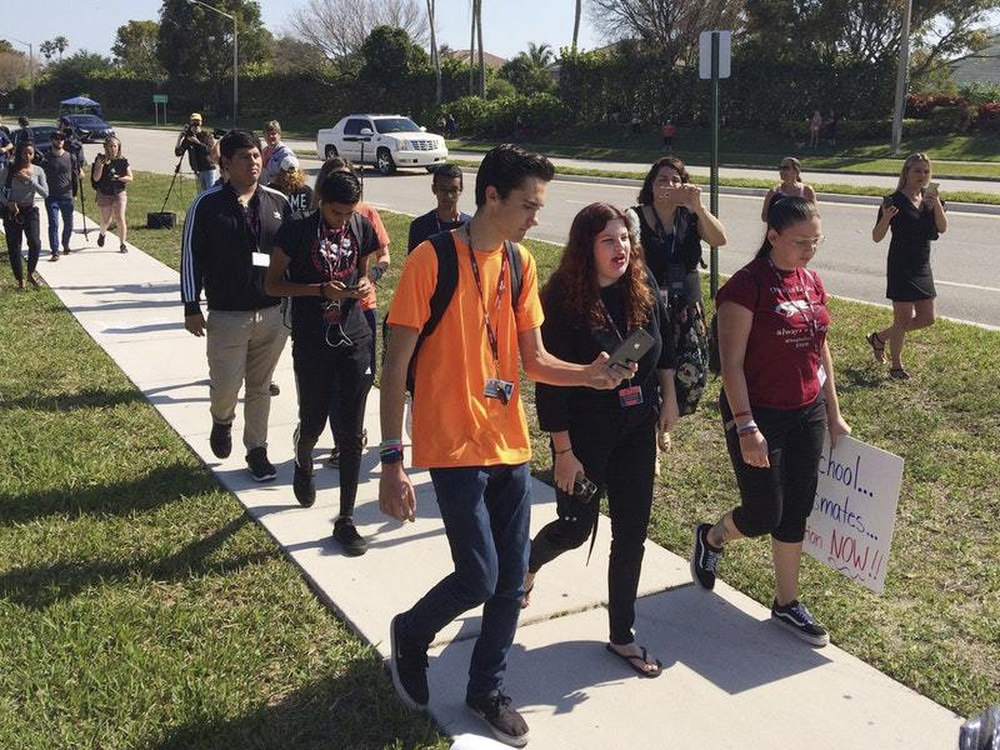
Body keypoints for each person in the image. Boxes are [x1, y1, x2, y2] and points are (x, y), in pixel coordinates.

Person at [380, 144, 631, 746]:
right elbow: (394, 368)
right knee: (479, 574)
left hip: (508, 442)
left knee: (512, 576)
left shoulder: (519, 264)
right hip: (451, 442)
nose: (534, 219)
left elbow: (535, 360)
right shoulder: (430, 259)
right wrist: (392, 460)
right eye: (527, 205)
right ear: (490, 196)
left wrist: (591, 374)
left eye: (538, 207)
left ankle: (485, 689)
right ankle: (412, 634)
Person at [523, 202, 678, 678]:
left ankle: (621, 635)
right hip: (584, 435)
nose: (621, 249)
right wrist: (563, 453)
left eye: (625, 238)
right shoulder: (562, 301)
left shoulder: (643, 286)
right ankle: (525, 567)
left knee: (632, 534)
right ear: (585, 247)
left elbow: (663, 344)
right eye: (609, 241)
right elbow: (548, 384)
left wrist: (668, 400)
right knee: (575, 529)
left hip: (636, 426)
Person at [691, 196, 851, 648]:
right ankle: (713, 536)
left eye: (815, 241)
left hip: (807, 410)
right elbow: (732, 364)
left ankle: (786, 603)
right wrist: (745, 425)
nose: (809, 249)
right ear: (773, 236)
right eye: (801, 241)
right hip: (757, 412)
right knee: (764, 513)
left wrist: (833, 412)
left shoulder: (811, 282)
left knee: (797, 509)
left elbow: (820, 351)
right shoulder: (745, 287)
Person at [264, 171, 378, 554]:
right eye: (336, 212)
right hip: (313, 341)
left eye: (348, 213)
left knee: (351, 433)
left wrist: (365, 283)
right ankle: (303, 454)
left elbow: (365, 270)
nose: (343, 220)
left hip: (355, 337)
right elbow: (273, 284)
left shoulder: (360, 225)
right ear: (320, 201)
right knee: (313, 420)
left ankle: (346, 519)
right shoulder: (295, 232)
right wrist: (316, 290)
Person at [180, 129, 292, 481]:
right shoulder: (207, 205)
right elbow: (190, 257)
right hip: (228, 314)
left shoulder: (278, 202)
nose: (254, 162)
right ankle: (221, 419)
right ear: (225, 163)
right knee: (226, 385)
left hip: (273, 313)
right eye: (245, 157)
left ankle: (257, 450)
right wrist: (190, 305)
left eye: (257, 155)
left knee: (260, 386)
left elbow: (292, 254)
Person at [626, 156, 727, 418]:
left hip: (686, 307)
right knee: (644, 366)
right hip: (647, 305)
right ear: (651, 185)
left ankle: (668, 416)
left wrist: (699, 207)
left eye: (676, 180)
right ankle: (652, 420)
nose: (669, 184)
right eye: (662, 179)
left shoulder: (691, 217)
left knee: (692, 372)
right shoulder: (635, 217)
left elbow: (720, 239)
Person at [312, 156, 391, 468]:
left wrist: (371, 277)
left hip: (362, 309)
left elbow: (383, 254)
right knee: (333, 380)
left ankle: (353, 432)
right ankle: (341, 441)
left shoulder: (367, 214)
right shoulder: (313, 218)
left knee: (361, 378)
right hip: (326, 313)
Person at [866, 153, 947, 380]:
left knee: (927, 318)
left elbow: (941, 228)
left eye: (926, 171)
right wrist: (885, 218)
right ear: (906, 173)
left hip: (922, 264)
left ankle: (879, 338)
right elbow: (876, 236)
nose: (922, 176)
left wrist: (937, 205)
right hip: (901, 264)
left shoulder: (930, 199)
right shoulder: (893, 201)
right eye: (917, 171)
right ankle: (896, 367)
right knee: (902, 319)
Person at [1, 141, 48, 290]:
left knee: (35, 243)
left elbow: (45, 193)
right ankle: (20, 280)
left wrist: (29, 180)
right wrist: (7, 202)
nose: (27, 156)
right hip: (12, 212)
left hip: (30, 210)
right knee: (14, 247)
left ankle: (30, 272)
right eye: (24, 153)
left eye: (31, 153)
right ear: (19, 153)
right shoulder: (9, 169)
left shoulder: (38, 170)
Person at [407, 163, 472, 253]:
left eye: (453, 190)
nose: (448, 196)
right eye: (443, 189)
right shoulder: (419, 227)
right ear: (434, 189)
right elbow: (413, 263)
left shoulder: (471, 227)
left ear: (461, 190)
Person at [91, 136, 133, 254]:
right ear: (106, 147)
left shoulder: (122, 161)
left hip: (119, 192)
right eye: (110, 146)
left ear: (118, 147)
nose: (113, 149)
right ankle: (102, 233)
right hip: (104, 192)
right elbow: (96, 178)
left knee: (120, 218)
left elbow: (130, 178)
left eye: (115, 146)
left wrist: (119, 178)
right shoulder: (100, 160)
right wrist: (100, 165)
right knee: (106, 220)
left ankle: (122, 244)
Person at [42, 130, 76, 261]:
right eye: (56, 138)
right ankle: (55, 251)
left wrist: (76, 192)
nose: (59, 141)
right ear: (52, 140)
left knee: (69, 224)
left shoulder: (70, 157)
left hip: (67, 196)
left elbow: (75, 175)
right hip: (51, 197)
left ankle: (65, 243)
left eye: (62, 138)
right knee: (54, 224)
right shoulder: (46, 157)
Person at [761, 157, 817, 222]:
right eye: (780, 168)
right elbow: (764, 217)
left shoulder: (807, 191)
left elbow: (814, 216)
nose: (781, 171)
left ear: (796, 170)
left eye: (785, 168)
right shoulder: (774, 192)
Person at [175, 113, 219, 194]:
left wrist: (198, 142)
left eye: (197, 121)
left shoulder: (206, 135)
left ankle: (212, 206)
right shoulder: (189, 138)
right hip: (198, 169)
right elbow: (178, 153)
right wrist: (179, 138)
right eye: (193, 121)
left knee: (210, 193)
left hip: (209, 168)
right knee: (201, 194)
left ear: (201, 123)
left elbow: (210, 151)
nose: (196, 124)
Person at [267, 154, 313, 219]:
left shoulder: (307, 191)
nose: (291, 176)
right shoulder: (272, 191)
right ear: (281, 172)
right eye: (288, 172)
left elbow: (311, 213)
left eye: (294, 172)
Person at [260, 120, 294, 187]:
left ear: (279, 135)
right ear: (264, 135)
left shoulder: (285, 153)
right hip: (264, 190)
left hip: (278, 190)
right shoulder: (264, 151)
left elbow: (292, 176)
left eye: (273, 134)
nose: (270, 137)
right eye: (268, 134)